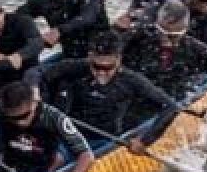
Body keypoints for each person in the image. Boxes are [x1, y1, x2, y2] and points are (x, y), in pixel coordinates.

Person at [25, 30, 180, 155]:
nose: (101, 73)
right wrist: (34, 91)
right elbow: (35, 72)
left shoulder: (131, 80)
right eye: (96, 66)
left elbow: (171, 107)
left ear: (119, 60)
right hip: (67, 133)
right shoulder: (76, 67)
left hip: (103, 140)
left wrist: (145, 141)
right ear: (90, 56)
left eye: (108, 68)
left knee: (56, 158)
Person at [122, 0, 207, 120]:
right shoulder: (137, 36)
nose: (165, 41)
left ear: (184, 30)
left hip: (169, 101)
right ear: (156, 24)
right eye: (161, 32)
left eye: (172, 37)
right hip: (134, 96)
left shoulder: (196, 49)